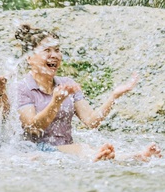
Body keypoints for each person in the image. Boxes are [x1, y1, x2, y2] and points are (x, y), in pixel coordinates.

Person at [15, 24, 160, 162]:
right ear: (29, 58)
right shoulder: (23, 87)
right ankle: (126, 157)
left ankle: (132, 157)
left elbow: (92, 121)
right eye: (47, 50)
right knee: (83, 149)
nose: (55, 55)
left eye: (57, 50)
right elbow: (34, 128)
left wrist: (114, 96)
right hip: (34, 152)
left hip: (66, 150)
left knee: (84, 150)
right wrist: (56, 102)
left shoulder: (67, 83)